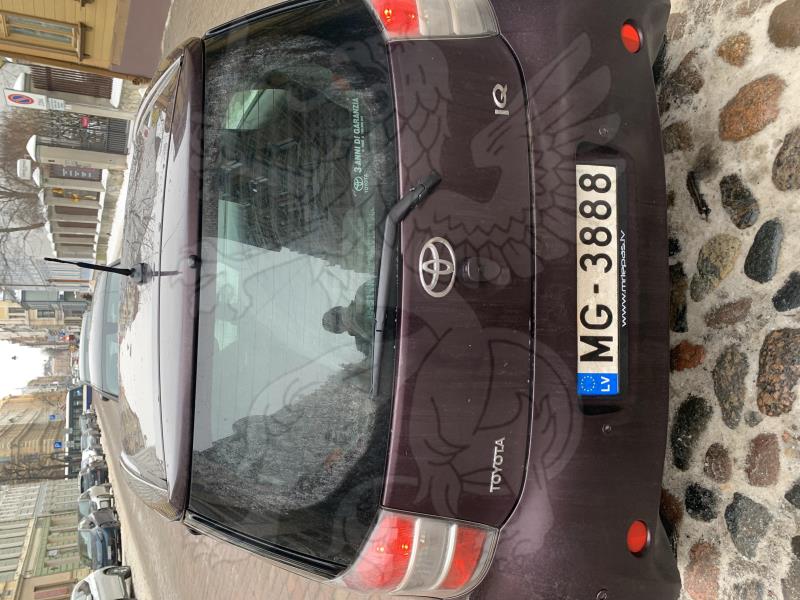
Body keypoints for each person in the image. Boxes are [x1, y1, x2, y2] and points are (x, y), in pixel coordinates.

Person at [322, 280, 375, 356]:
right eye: (337, 324)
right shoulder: (363, 290)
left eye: (337, 316)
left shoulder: (364, 291)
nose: (343, 319)